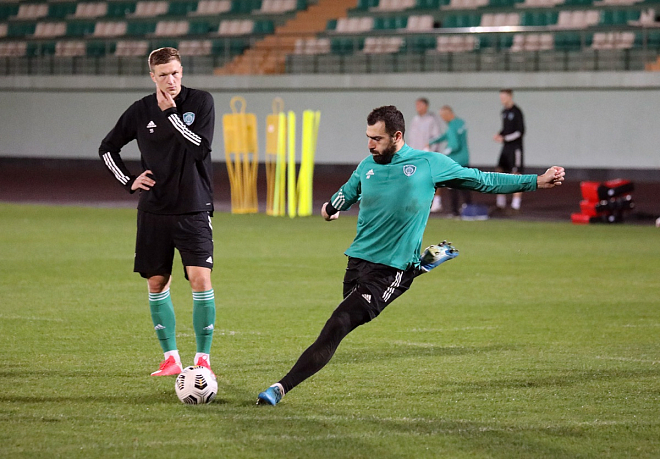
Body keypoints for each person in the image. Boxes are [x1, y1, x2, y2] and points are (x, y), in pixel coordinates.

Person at [256, 105, 565, 405]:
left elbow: (483, 180)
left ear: (397, 136)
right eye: (368, 137)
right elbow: (341, 198)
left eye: (377, 139)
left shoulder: (428, 164)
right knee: (346, 308)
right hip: (357, 263)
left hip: (389, 271)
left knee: (338, 324)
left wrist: (536, 181)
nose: (370, 144)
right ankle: (422, 263)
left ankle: (280, 388)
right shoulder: (366, 167)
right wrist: (330, 210)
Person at [98, 47, 217, 377]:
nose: (171, 80)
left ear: (182, 71)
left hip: (193, 207)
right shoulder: (140, 110)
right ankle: (170, 358)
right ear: (153, 76)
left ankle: (203, 359)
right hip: (154, 210)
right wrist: (129, 180)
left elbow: (201, 148)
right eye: (163, 74)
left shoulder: (201, 102)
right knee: (157, 282)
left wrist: (171, 115)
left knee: (200, 278)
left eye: (175, 72)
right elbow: (107, 148)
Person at [427, 105, 472, 218]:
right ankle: (468, 209)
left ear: (448, 114)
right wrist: (431, 141)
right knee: (464, 185)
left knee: (453, 186)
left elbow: (454, 145)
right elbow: (445, 136)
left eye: (443, 116)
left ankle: (455, 211)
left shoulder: (452, 125)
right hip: (464, 159)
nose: (443, 119)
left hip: (455, 161)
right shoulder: (459, 123)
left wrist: (444, 153)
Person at [493, 88, 525, 215]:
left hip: (515, 148)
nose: (502, 99)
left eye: (504, 97)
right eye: (501, 97)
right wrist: (499, 134)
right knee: (499, 171)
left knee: (516, 174)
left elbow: (520, 132)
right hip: (505, 148)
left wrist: (505, 138)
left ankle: (515, 206)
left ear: (510, 96)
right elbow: (505, 129)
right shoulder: (504, 112)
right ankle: (500, 204)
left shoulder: (517, 112)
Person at [407, 97, 443, 212]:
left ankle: (436, 202)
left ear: (426, 106)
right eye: (416, 105)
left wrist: (431, 151)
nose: (417, 107)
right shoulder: (415, 119)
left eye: (420, 105)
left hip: (428, 154)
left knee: (433, 179)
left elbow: (436, 136)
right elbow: (411, 137)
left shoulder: (432, 119)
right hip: (416, 155)